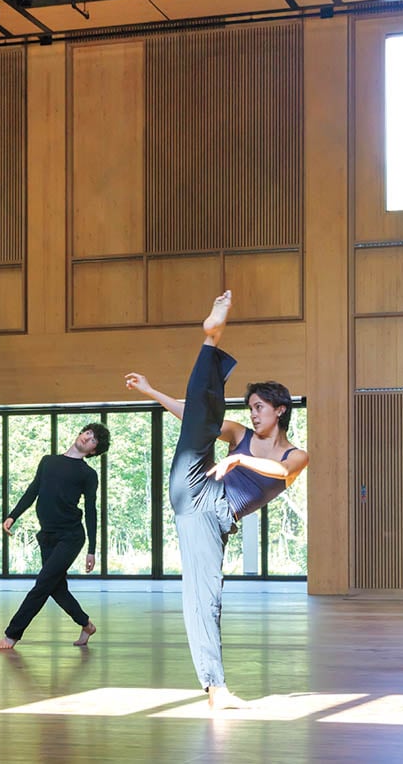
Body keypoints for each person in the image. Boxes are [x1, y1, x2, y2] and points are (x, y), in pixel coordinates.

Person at [124, 290, 309, 710]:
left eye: (260, 407)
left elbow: (282, 474)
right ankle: (211, 338)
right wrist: (153, 391)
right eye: (251, 407)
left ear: (280, 410)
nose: (254, 413)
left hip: (212, 515)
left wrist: (237, 463)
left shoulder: (294, 453)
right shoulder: (239, 433)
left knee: (203, 596)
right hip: (194, 485)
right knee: (202, 421)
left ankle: (215, 687)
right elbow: (195, 417)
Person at [0, 423, 111, 651]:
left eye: (94, 440)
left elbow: (91, 510)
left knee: (42, 585)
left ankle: (12, 634)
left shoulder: (88, 474)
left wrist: (92, 549)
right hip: (47, 535)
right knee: (56, 589)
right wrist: (13, 516)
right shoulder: (48, 461)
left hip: (71, 537)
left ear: (94, 451)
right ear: (81, 433)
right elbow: (33, 490)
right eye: (88, 433)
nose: (88, 438)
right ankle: (86, 624)